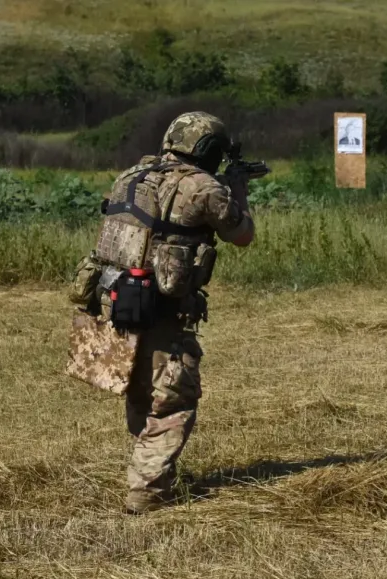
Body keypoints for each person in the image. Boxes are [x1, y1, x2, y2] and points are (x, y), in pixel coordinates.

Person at [82, 111, 255, 515]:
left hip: (114, 299)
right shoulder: (204, 187)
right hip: (162, 306)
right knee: (173, 400)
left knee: (142, 389)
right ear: (209, 151)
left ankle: (149, 469)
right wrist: (238, 191)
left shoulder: (131, 176)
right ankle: (148, 493)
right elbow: (242, 234)